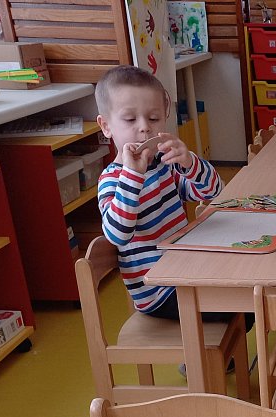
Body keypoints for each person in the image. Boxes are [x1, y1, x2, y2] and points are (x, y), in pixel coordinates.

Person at [95, 65, 222, 320]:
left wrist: (190, 163)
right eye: (130, 119)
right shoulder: (112, 180)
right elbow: (118, 235)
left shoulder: (164, 167)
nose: (145, 128)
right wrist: (133, 175)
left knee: (246, 286)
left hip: (186, 271)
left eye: (153, 119)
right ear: (106, 126)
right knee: (240, 303)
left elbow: (212, 190)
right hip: (158, 291)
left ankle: (222, 346)